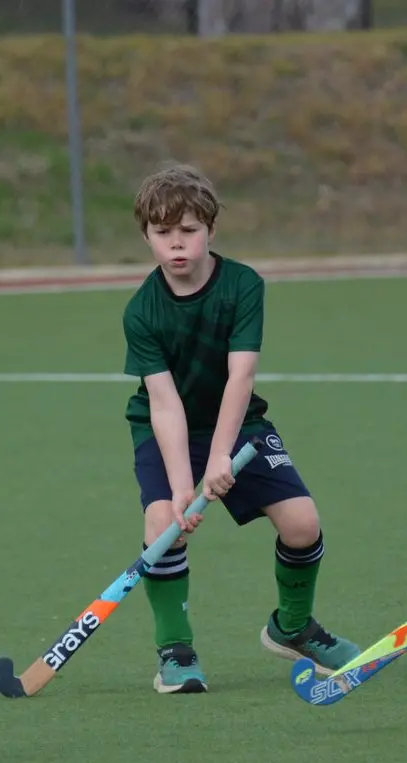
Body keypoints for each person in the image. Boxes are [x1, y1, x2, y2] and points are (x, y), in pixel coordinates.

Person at [122, 163, 361, 694]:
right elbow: (163, 404)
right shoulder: (142, 311)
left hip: (238, 422)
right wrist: (186, 484)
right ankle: (176, 652)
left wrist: (222, 456)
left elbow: (241, 375)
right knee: (163, 522)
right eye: (163, 233)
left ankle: (293, 628)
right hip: (168, 428)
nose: (177, 244)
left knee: (302, 524)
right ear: (147, 236)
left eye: (188, 230)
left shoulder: (242, 285)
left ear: (211, 229)